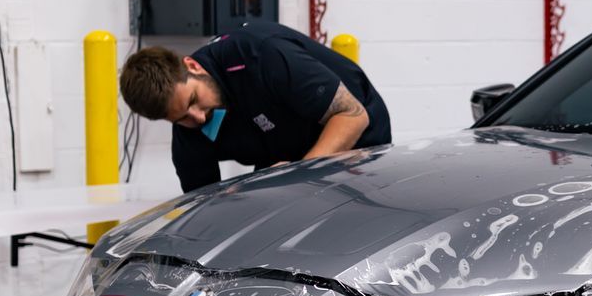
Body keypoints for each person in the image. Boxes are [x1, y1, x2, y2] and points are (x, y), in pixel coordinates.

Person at [119, 21, 393, 192]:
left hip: (357, 140)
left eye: (193, 100)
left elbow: (353, 115)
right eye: (180, 118)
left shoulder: (261, 54)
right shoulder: (189, 124)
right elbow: (200, 205)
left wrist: (299, 175)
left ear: (192, 66)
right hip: (287, 154)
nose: (199, 118)